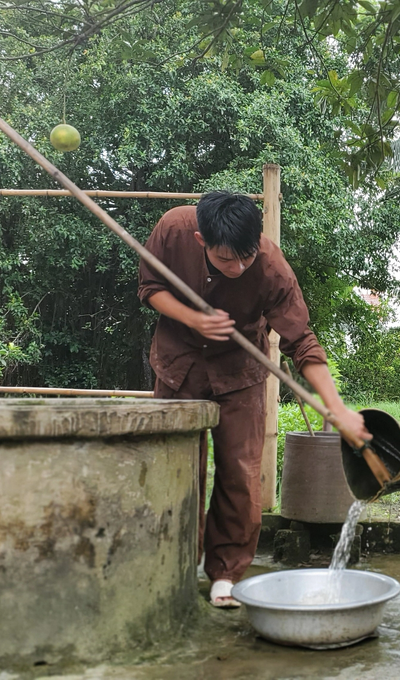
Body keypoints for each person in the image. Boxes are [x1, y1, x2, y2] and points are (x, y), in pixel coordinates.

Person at [137, 190, 370, 607]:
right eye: (227, 259)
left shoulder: (270, 267)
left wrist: (337, 409)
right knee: (176, 467)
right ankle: (174, 563)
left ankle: (225, 573)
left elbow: (302, 342)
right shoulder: (173, 229)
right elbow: (150, 287)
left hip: (239, 370)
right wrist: (195, 319)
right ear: (200, 240)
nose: (239, 267)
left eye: (246, 256)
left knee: (241, 473)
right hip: (179, 363)